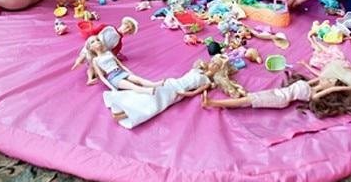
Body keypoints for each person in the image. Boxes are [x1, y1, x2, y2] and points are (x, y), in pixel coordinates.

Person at [202, 59, 351, 121]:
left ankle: (214, 103)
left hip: (280, 99)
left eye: (330, 81)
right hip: (278, 94)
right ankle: (215, 102)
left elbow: (330, 89)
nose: (326, 80)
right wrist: (306, 65)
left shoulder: (315, 94)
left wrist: (349, 87)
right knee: (247, 98)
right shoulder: (313, 84)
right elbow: (320, 76)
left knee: (247, 101)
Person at [103, 54, 245, 129]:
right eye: (213, 62)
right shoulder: (198, 69)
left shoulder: (207, 81)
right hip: (173, 83)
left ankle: (125, 114)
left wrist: (183, 94)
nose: (213, 65)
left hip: (179, 91)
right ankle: (124, 106)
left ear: (219, 70)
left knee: (155, 101)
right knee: (149, 93)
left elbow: (195, 92)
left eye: (216, 65)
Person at [90, 27, 163, 94]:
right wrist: (112, 88)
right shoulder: (95, 60)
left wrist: (130, 73)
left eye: (98, 40)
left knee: (138, 80)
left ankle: (154, 84)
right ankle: (148, 91)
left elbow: (121, 65)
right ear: (91, 48)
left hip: (120, 72)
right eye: (93, 42)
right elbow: (102, 77)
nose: (97, 42)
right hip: (113, 77)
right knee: (132, 86)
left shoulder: (109, 53)